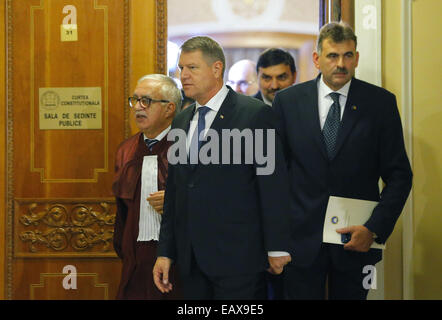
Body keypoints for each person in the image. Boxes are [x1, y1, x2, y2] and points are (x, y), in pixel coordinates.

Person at [273, 22, 413, 299]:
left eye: (348, 55)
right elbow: (274, 175)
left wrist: (374, 229)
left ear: (357, 58)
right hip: (299, 243)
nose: (341, 64)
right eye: (332, 56)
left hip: (356, 242)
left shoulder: (380, 103)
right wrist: (274, 242)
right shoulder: (287, 102)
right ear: (317, 59)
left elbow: (400, 175)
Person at [153, 36, 292, 299]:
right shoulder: (181, 120)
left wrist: (276, 248)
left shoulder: (254, 114)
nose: (183, 75)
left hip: (239, 259)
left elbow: (272, 186)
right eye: (181, 68)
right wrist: (166, 251)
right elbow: (175, 193)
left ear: (217, 69)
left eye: (192, 68)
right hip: (191, 261)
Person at [112, 74, 182, 299]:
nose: (138, 108)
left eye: (147, 101)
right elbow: (122, 211)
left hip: (178, 259)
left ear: (169, 108)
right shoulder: (126, 150)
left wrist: (176, 199)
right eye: (135, 100)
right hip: (136, 258)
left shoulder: (189, 148)